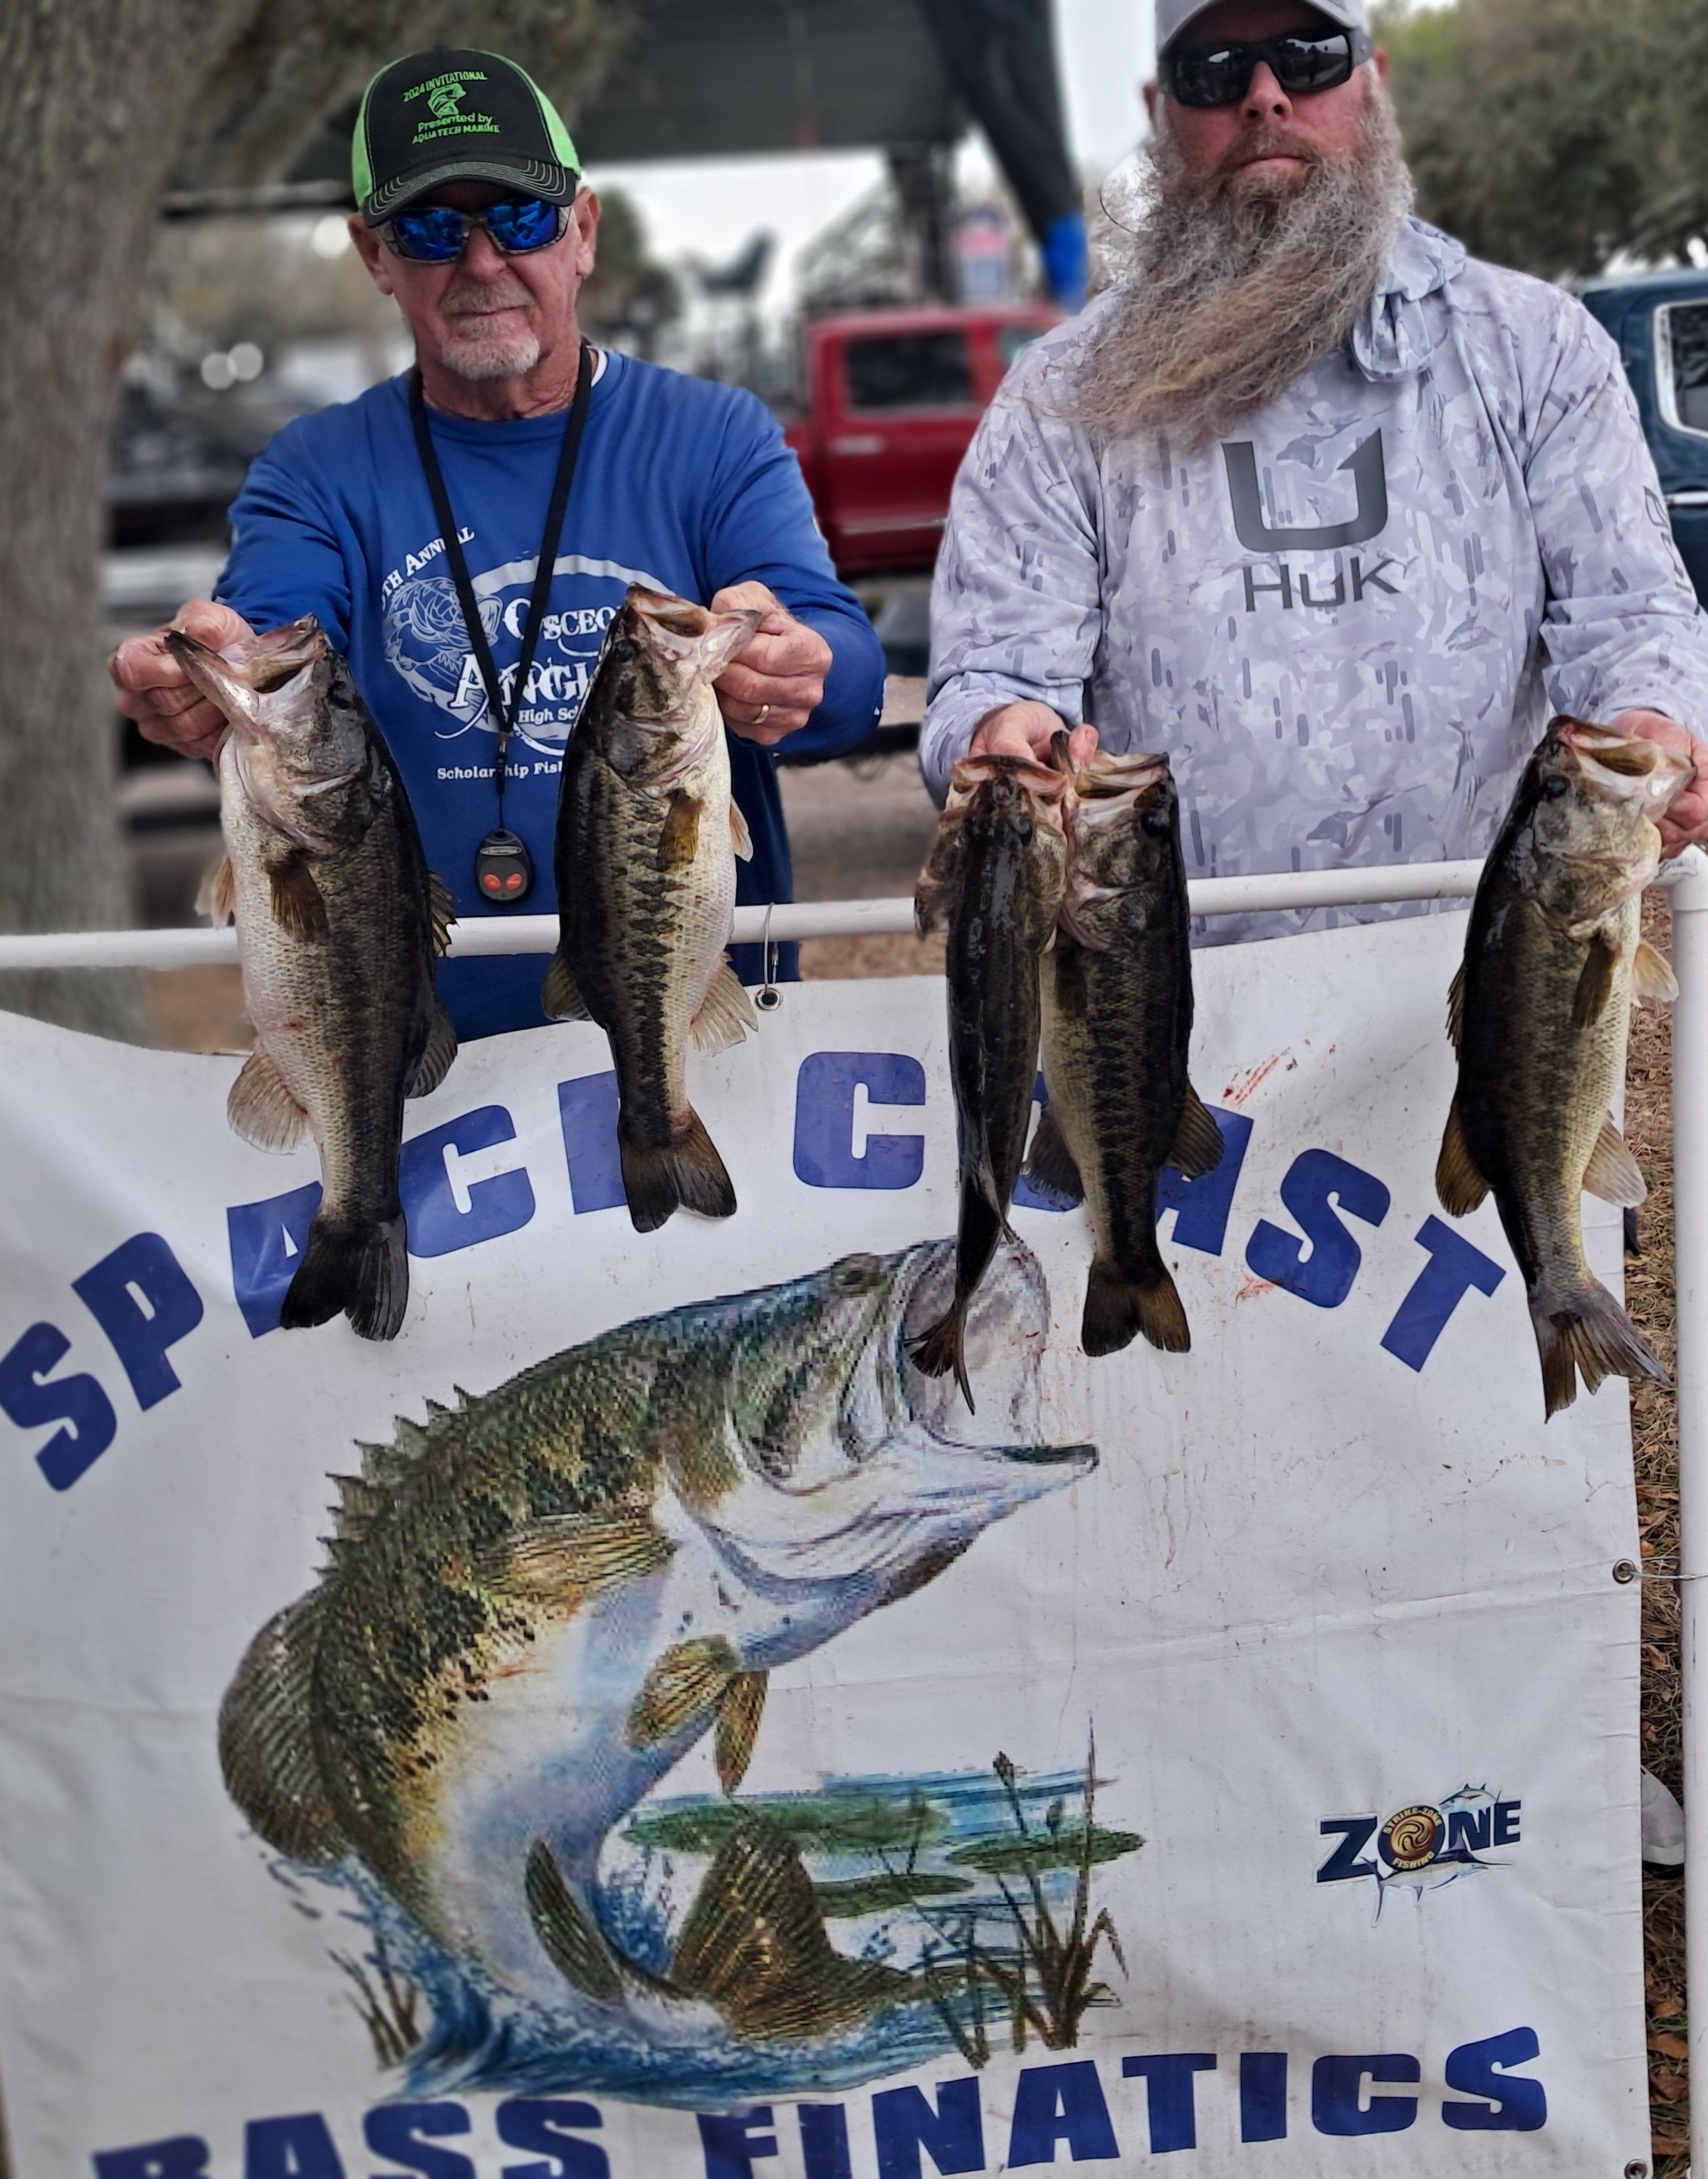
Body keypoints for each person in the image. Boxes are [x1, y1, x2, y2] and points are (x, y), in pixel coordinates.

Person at [112, 47, 884, 1038]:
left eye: (520, 219)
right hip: (422, 1056)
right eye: (431, 229)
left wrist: (802, 668)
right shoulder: (314, 469)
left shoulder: (717, 435)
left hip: (693, 1036)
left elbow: (851, 685)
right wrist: (208, 683)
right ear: (375, 256)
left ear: (583, 232)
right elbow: (269, 647)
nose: (482, 265)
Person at [922, 0, 1708, 934]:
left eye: (1308, 56)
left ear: (1373, 82)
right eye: (1214, 71)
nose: (1264, 97)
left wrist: (1654, 717)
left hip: (1488, 961)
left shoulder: (1535, 348)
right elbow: (995, 665)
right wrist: (1000, 736)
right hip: (1166, 986)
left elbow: (1632, 615)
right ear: (1158, 109)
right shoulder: (1063, 393)